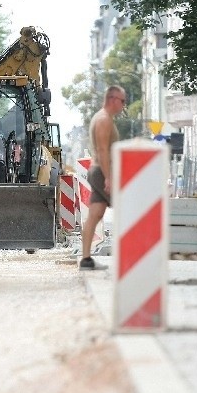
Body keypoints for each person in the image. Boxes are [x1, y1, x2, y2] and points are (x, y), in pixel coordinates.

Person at [80, 85, 124, 271]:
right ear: (112, 99)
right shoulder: (104, 119)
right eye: (122, 101)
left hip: (99, 171)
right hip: (102, 172)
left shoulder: (103, 118)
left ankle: (86, 260)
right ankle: (133, 256)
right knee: (128, 209)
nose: (123, 105)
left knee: (95, 215)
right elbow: (103, 150)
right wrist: (108, 178)